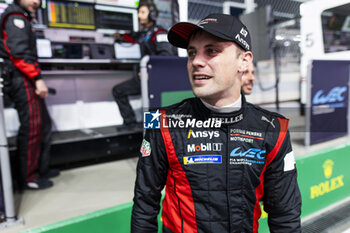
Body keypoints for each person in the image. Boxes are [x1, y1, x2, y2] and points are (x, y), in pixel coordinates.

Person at [131, 13, 301, 232]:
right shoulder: (160, 122)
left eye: (211, 50)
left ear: (244, 61)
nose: (196, 61)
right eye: (192, 53)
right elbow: (145, 205)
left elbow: (285, 215)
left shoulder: (273, 128)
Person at [0, 0, 59, 190]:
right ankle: (28, 177)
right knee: (32, 126)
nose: (36, 1)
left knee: (43, 123)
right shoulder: (15, 17)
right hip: (20, 77)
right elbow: (19, 54)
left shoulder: (22, 16)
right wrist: (37, 78)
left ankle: (40, 169)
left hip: (24, 76)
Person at [112, 0, 175, 129]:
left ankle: (154, 137)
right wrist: (119, 36)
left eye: (143, 12)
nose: (139, 15)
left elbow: (167, 57)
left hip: (156, 80)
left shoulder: (159, 33)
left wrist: (150, 72)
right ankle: (130, 125)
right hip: (143, 79)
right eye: (139, 12)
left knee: (154, 108)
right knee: (118, 91)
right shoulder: (143, 34)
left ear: (151, 14)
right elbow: (131, 37)